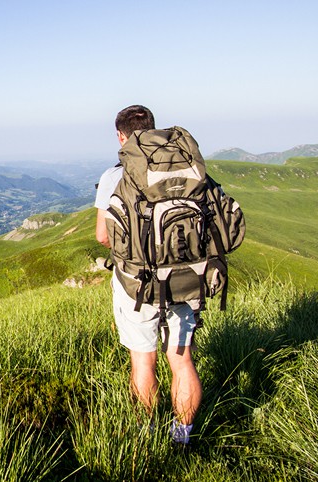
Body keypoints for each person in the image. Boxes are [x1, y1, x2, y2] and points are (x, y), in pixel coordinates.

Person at [94, 104, 201, 445]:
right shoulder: (186, 167)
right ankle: (182, 436)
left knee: (144, 360)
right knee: (181, 360)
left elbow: (102, 235)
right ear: (153, 129)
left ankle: (148, 434)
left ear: (120, 136)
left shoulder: (115, 175)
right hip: (186, 279)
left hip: (137, 284)